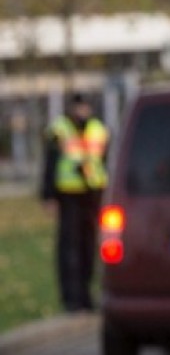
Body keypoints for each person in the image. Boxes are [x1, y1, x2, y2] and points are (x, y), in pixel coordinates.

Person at [40, 93, 109, 312]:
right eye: (79, 107)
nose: (82, 111)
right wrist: (48, 195)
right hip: (68, 195)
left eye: (85, 107)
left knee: (89, 247)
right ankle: (71, 298)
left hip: (93, 194)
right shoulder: (59, 130)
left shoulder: (99, 129)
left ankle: (86, 296)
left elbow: (106, 162)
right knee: (69, 248)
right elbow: (50, 164)